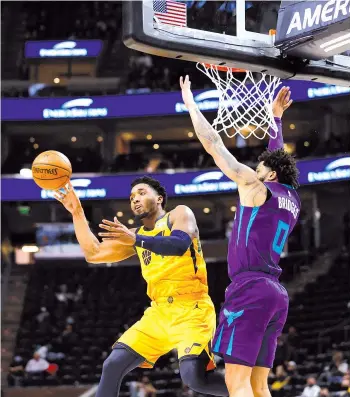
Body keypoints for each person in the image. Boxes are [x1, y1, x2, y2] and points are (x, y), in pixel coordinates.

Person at [180, 76, 300, 397]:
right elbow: (277, 156)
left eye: (258, 167)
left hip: (250, 290)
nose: (253, 168)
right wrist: (275, 119)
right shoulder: (290, 196)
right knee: (259, 386)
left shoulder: (254, 185)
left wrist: (190, 104)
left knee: (236, 383)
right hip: (276, 294)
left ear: (268, 175)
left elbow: (214, 145)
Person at [54, 176, 228, 397]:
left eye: (142, 193)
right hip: (159, 312)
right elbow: (94, 253)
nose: (135, 199)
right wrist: (77, 212)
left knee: (193, 377)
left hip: (192, 309)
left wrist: (135, 240)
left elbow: (178, 245)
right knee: (113, 364)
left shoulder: (179, 214)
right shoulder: (136, 235)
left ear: (159, 198)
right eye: (131, 197)